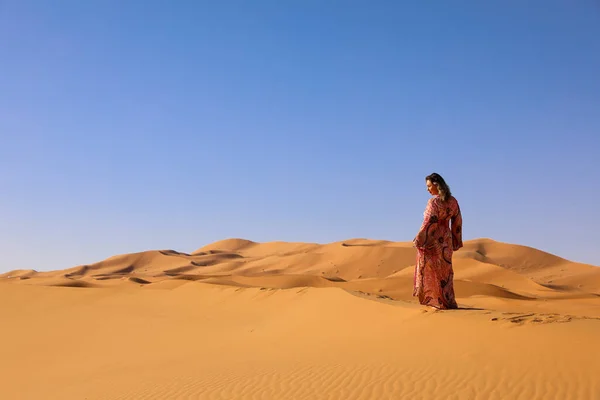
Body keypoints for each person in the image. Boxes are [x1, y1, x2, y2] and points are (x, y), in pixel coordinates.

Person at [413, 173, 463, 309]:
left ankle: (436, 301)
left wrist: (420, 237)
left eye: (429, 186)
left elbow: (429, 221)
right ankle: (447, 301)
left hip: (433, 240)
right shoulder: (453, 201)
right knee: (445, 270)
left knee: (431, 269)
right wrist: (456, 240)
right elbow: (457, 221)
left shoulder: (433, 202)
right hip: (446, 240)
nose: (427, 189)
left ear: (436, 185)